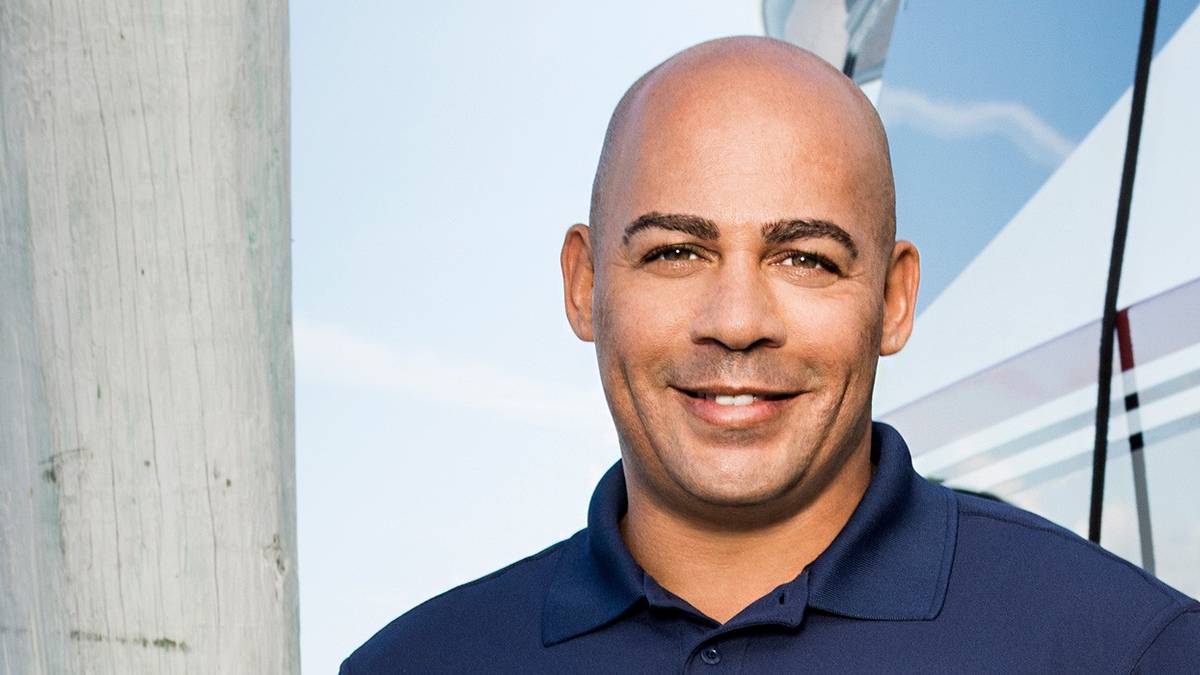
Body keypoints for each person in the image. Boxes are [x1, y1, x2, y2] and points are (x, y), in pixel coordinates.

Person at [341, 36, 1199, 673]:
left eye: (805, 259)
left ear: (894, 300)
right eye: (676, 252)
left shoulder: (1128, 651)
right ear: (584, 283)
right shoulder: (413, 665)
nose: (738, 321)